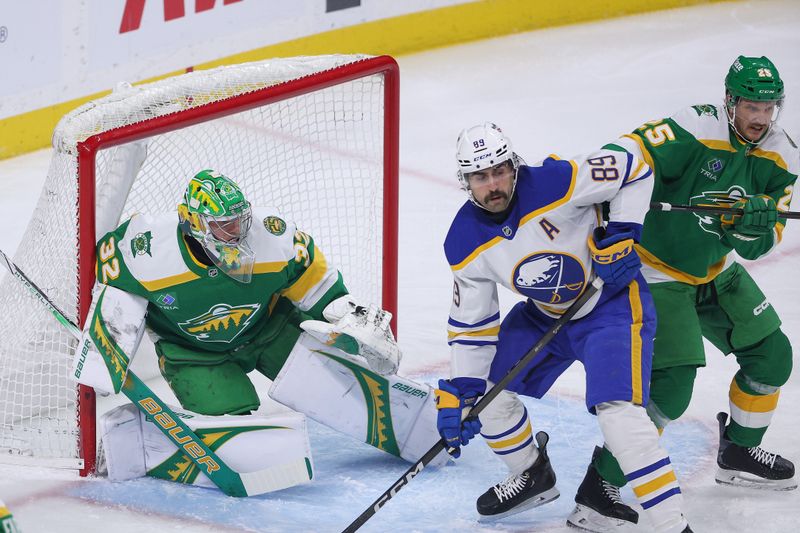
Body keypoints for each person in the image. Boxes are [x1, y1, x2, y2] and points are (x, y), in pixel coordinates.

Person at [72, 169, 443, 492]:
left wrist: (353, 324)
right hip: (195, 355)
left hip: (269, 330)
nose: (235, 231)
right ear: (192, 223)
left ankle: (422, 425)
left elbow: (318, 289)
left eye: (238, 220)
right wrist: (107, 347)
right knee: (244, 444)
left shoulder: (275, 238)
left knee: (336, 383)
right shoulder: (147, 252)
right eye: (222, 224)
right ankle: (136, 442)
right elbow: (111, 285)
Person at [568, 55, 798, 531]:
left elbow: (761, 243)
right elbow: (627, 151)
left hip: (715, 268)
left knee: (773, 356)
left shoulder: (781, 156)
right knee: (670, 389)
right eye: (750, 105)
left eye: (768, 107)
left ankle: (736, 452)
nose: (759, 117)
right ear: (730, 101)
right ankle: (598, 488)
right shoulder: (694, 126)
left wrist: (750, 229)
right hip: (656, 271)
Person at [437, 123, 692, 532]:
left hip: (607, 305)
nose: (494, 184)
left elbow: (636, 167)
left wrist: (624, 232)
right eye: (481, 177)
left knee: (619, 416)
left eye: (500, 171)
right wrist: (464, 392)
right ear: (466, 181)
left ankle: (672, 525)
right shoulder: (463, 240)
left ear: (514, 166)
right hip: (544, 314)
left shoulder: (559, 181)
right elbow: (473, 325)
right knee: (485, 396)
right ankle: (532, 473)